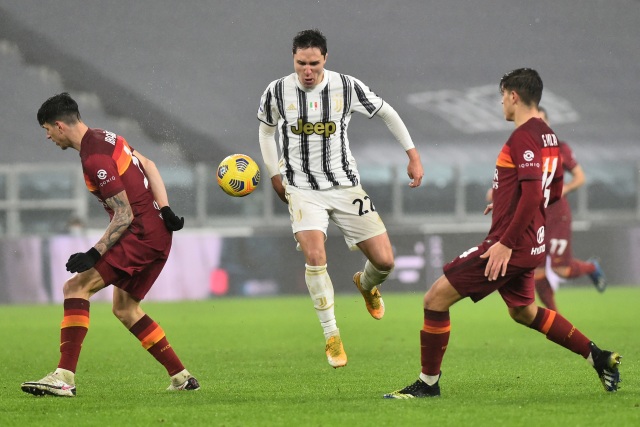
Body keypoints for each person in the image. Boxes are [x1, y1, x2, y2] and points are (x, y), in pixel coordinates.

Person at [384, 68, 621, 398]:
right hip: (531, 241)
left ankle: (427, 385)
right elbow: (551, 192)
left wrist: (506, 243)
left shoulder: (523, 136)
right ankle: (598, 356)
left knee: (435, 298)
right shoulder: (549, 137)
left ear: (513, 96)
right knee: (523, 311)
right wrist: (504, 198)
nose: (501, 104)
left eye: (502, 97)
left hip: (511, 243)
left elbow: (535, 194)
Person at [257, 29, 424, 368]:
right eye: (301, 63)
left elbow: (387, 112)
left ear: (325, 60)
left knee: (385, 262)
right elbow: (266, 130)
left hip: (346, 186)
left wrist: (413, 155)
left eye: (314, 64)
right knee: (315, 256)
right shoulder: (277, 91)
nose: (307, 71)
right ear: (293, 59)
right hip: (302, 188)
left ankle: (366, 284)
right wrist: (275, 173)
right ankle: (331, 336)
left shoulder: (346, 87)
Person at [21, 93, 199, 397]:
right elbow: (149, 164)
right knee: (126, 308)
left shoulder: (94, 159)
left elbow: (124, 213)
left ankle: (64, 377)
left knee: (75, 288)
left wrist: (94, 252)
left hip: (140, 233)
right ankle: (181, 377)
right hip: (159, 232)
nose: (48, 136)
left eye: (47, 130)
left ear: (60, 126)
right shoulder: (107, 136)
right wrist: (165, 209)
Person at [533, 106, 606, 312]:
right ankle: (556, 319)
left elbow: (580, 177)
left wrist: (565, 188)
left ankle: (592, 267)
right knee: (537, 271)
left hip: (557, 216)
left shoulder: (560, 148)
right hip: (534, 216)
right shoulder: (524, 150)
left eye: (542, 122)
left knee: (562, 270)